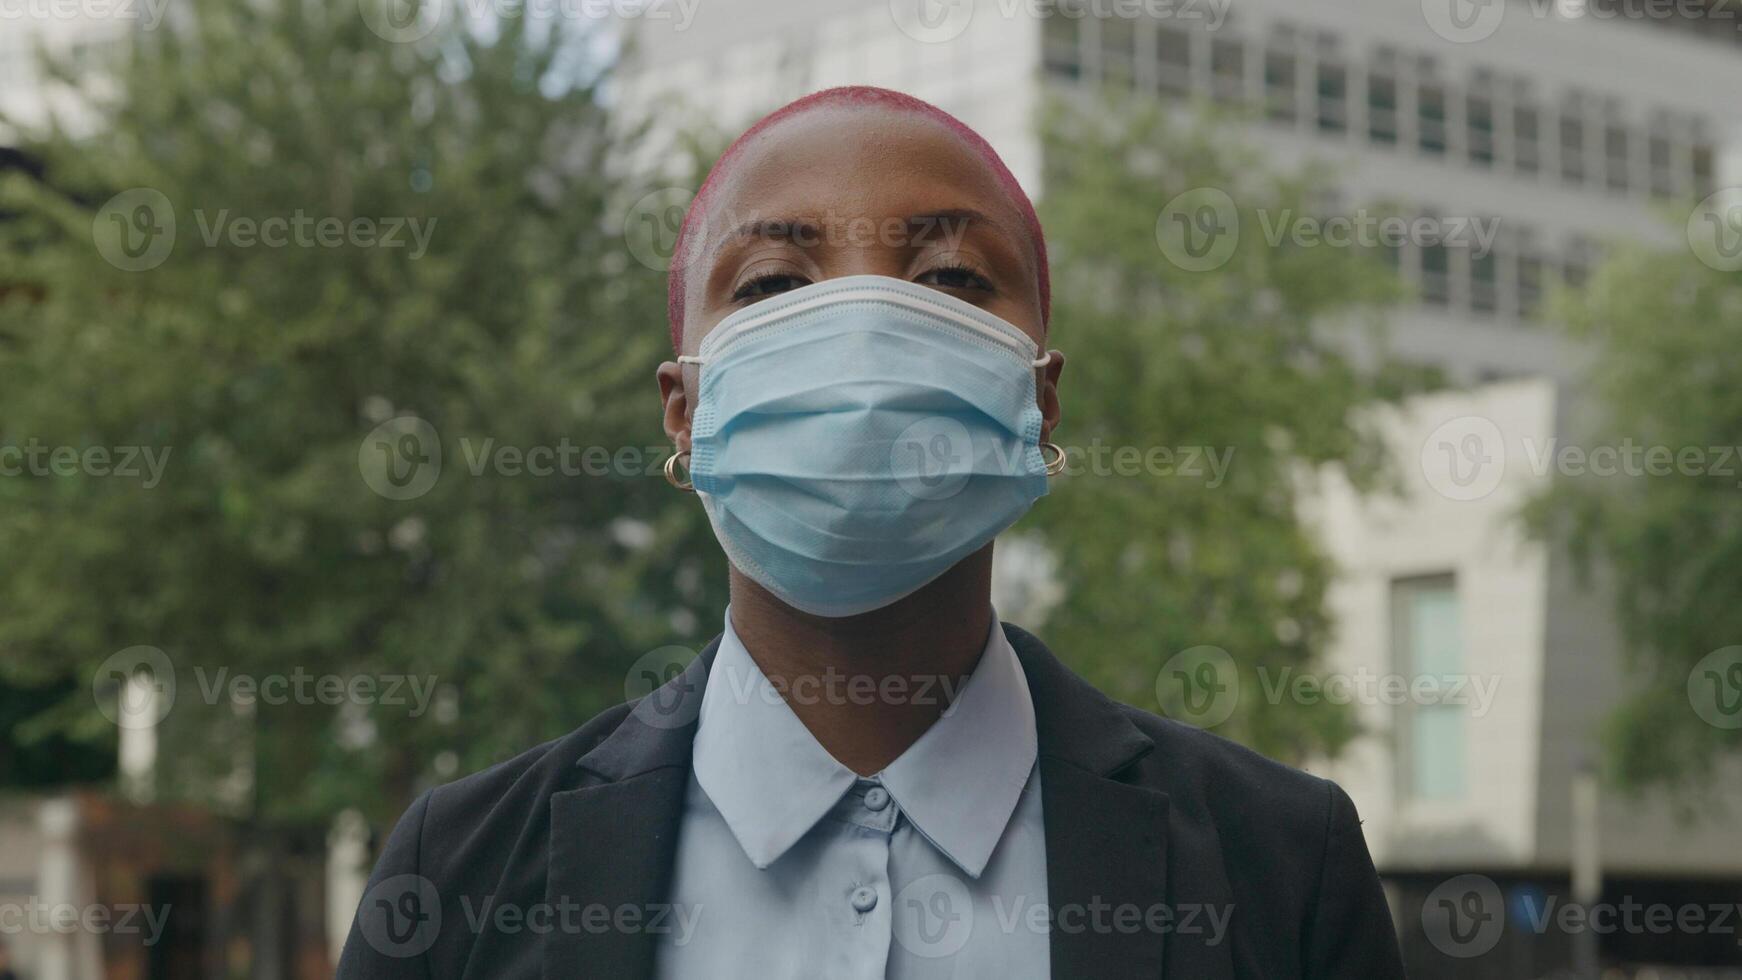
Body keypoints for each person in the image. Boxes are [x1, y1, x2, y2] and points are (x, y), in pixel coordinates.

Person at [338, 85, 1406, 979]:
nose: (859, 334)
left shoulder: (1278, 868)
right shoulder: (461, 877)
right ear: (684, 410)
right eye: (768, 283)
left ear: (1039, 399)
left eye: (947, 276)